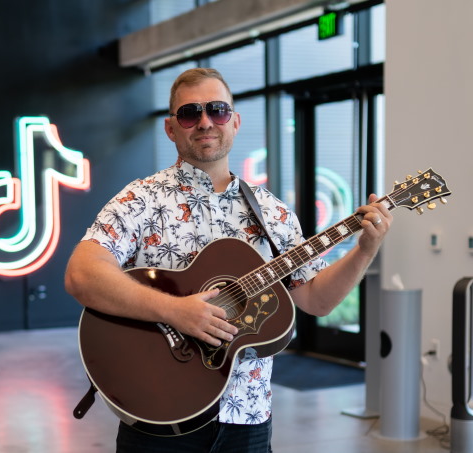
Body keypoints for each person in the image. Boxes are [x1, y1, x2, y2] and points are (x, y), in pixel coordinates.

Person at [64, 68, 391, 453]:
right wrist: (175, 310)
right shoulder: (141, 199)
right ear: (171, 129)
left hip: (247, 419)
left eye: (217, 110)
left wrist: (364, 250)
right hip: (160, 413)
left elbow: (316, 300)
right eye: (190, 113)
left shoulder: (273, 212)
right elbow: (81, 275)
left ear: (234, 122)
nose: (205, 122)